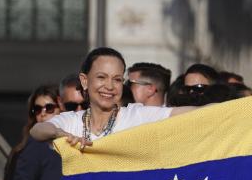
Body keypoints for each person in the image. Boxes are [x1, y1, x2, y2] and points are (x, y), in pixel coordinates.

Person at [29, 47, 197, 145]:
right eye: (101, 77)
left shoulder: (135, 116)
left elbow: (184, 113)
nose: (109, 86)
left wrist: (223, 110)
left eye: (117, 80)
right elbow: (37, 130)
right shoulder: (72, 121)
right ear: (85, 81)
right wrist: (59, 133)